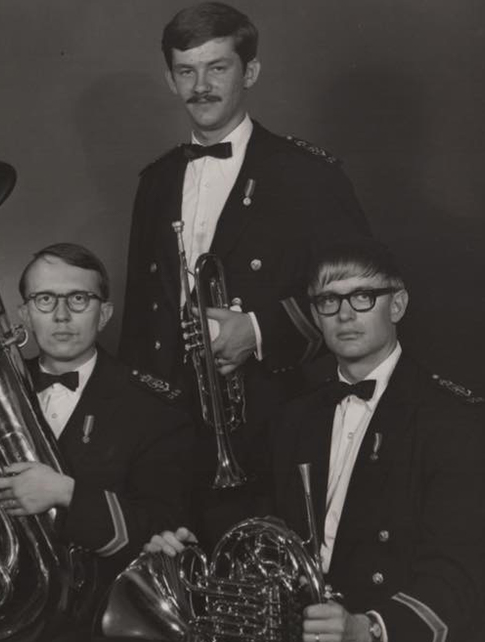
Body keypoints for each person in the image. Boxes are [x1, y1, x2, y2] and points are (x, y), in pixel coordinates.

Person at [117, 2, 371, 543]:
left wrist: (255, 331)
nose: (200, 86)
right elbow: (141, 318)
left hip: (270, 429)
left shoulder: (307, 175)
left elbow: (359, 295)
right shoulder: (156, 181)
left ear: (249, 72)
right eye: (186, 71)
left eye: (218, 68)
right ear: (170, 79)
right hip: (167, 434)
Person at [147, 239, 485, 642]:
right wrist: (189, 552)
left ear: (397, 305)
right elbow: (261, 532)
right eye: (328, 300)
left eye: (362, 296)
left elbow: (460, 574)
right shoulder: (295, 416)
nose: (344, 314)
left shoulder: (453, 420)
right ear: (315, 315)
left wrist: (370, 629)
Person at [0, 243, 195, 624]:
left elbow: (162, 533)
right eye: (45, 299)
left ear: (104, 314)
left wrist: (66, 493)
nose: (61, 315)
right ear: (25, 314)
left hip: (92, 620)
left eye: (79, 299)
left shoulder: (154, 408)